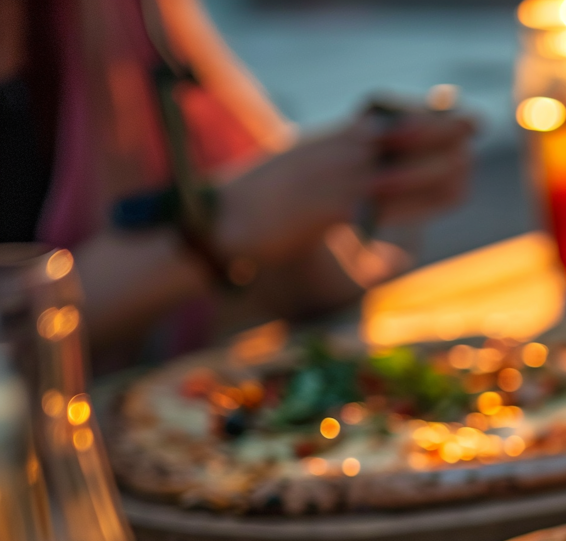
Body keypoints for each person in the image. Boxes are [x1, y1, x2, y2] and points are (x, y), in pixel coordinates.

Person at [0, 0, 475, 359]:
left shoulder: (122, 16)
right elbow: (245, 215)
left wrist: (361, 181)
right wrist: (224, 226)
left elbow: (310, 283)